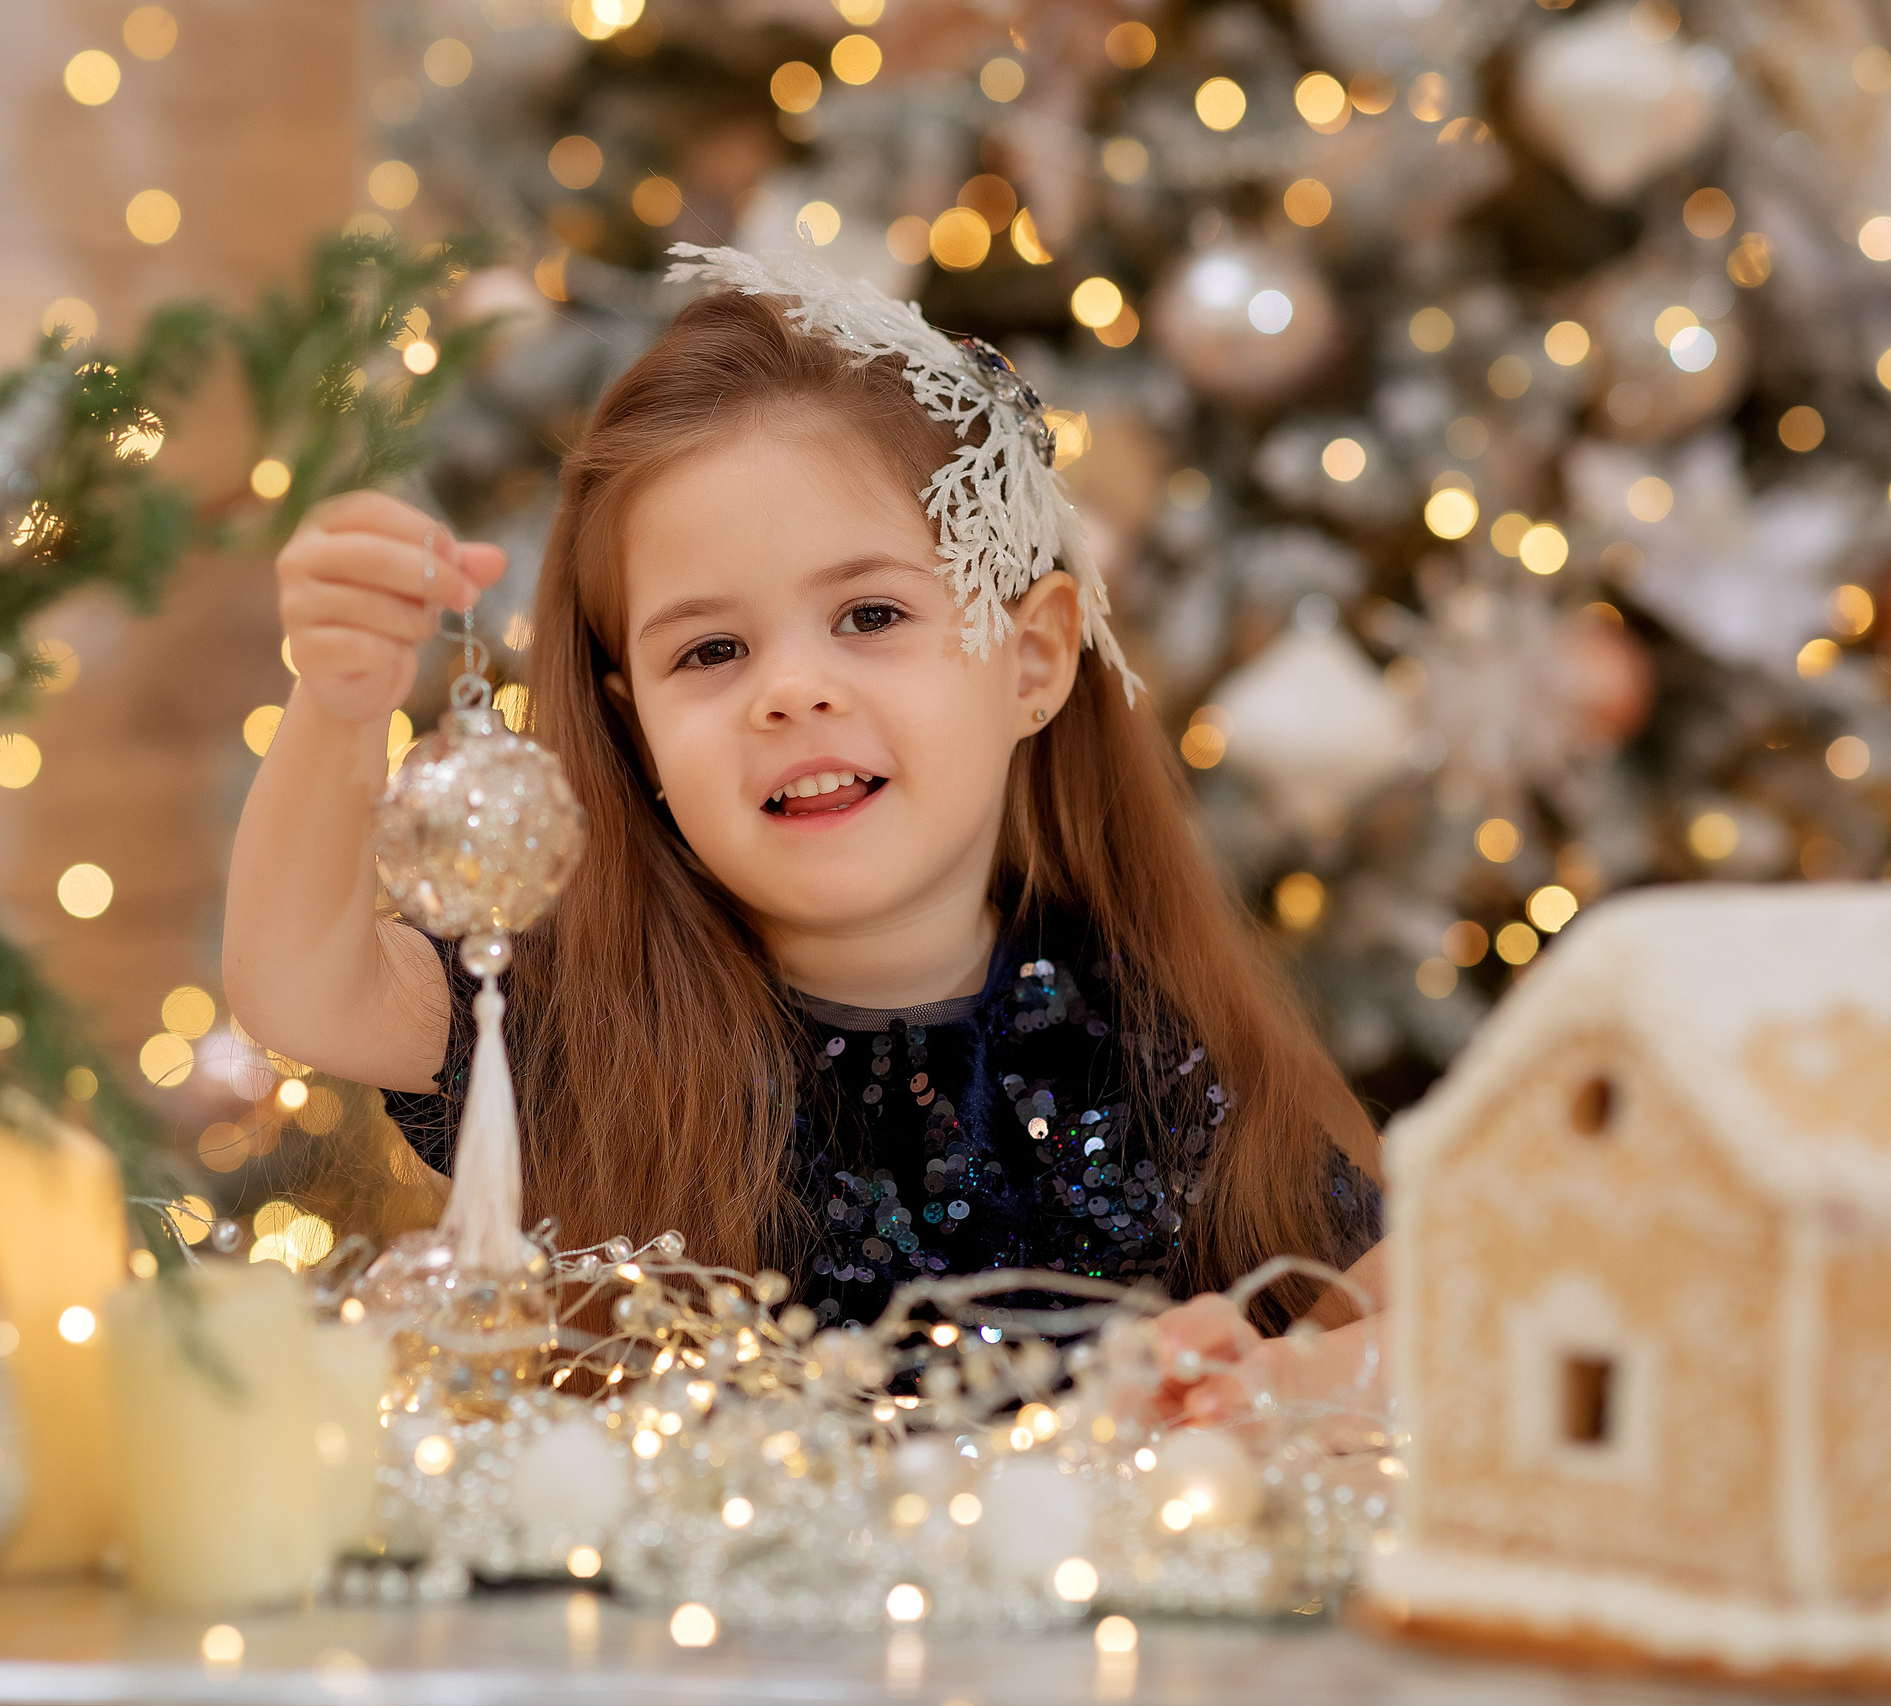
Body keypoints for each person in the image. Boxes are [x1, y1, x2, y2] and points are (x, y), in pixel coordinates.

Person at [223, 245, 1384, 1410]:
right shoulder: (577, 1018)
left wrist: (1290, 1382)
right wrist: (339, 701)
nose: (791, 689)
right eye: (710, 651)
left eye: (869, 614)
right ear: (636, 735)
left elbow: (1436, 1307)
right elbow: (301, 987)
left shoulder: (1153, 1045)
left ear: (1031, 660)